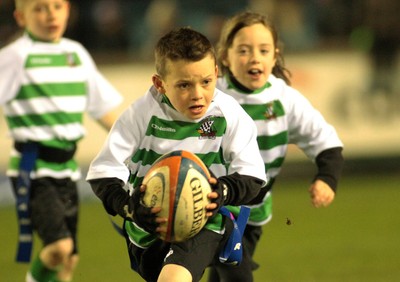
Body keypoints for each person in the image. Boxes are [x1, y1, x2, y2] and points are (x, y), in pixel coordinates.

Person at [86, 27, 267, 282]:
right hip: (148, 231)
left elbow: (253, 176)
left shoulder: (228, 113)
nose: (197, 94)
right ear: (160, 84)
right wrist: (129, 207)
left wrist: (222, 191)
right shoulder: (140, 115)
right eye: (184, 85)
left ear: (216, 73)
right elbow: (102, 172)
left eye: (206, 82)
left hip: (205, 222)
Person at [207, 11, 345, 282]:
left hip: (254, 210)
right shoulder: (212, 97)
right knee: (237, 273)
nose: (255, 57)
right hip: (212, 206)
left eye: (263, 50)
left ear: (275, 56)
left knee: (226, 270)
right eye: (244, 50)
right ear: (225, 57)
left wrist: (327, 178)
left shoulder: (284, 99)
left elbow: (325, 141)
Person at [0, 0, 123, 281]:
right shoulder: (15, 57)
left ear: (69, 10)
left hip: (67, 169)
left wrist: (137, 145)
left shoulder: (75, 54)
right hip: (33, 168)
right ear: (21, 17)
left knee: (69, 260)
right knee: (58, 248)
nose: (50, 14)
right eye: (40, 8)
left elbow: (104, 110)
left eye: (57, 6)